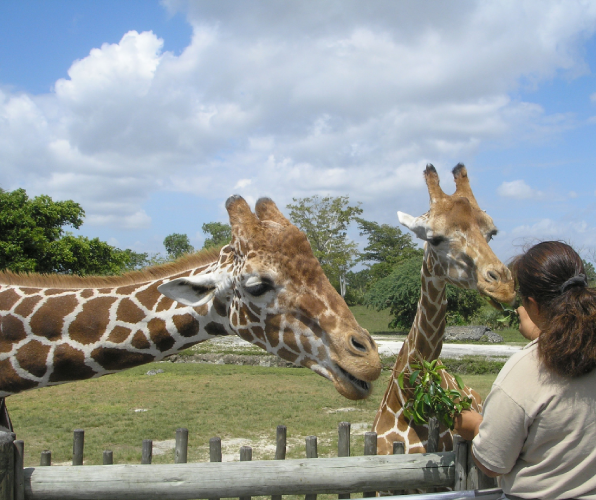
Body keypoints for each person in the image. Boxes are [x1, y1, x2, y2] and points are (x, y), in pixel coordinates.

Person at [454, 241, 596, 500]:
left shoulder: (526, 371)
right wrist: (539, 334)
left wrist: (476, 427)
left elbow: (491, 463)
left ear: (533, 304)